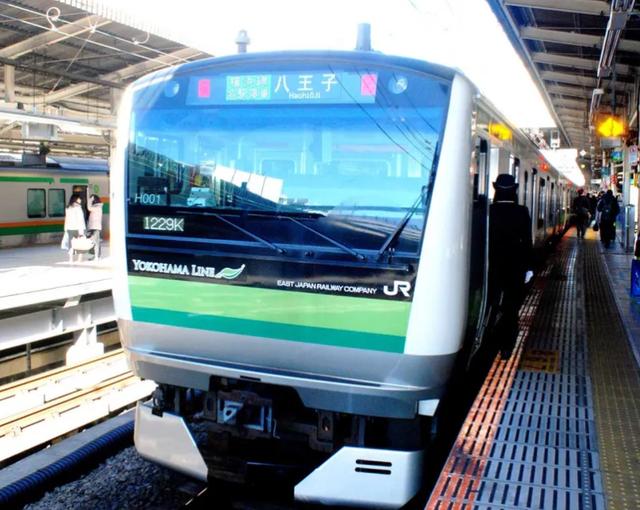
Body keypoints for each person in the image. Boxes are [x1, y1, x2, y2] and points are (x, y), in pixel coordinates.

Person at [489, 174, 533, 359]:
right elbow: (527, 242)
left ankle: (489, 340)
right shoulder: (522, 211)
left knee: (492, 305)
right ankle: (507, 347)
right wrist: (529, 268)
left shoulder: (488, 211)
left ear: (496, 190)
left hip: (491, 267)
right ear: (514, 191)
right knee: (511, 307)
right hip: (515, 268)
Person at [62, 193, 86, 263]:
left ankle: (71, 259)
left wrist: (65, 228)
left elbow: (66, 219)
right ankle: (79, 259)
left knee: (71, 244)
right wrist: (81, 231)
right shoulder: (78, 207)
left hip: (69, 228)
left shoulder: (68, 208)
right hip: (78, 229)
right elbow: (80, 220)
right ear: (75, 199)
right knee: (80, 244)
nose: (80, 199)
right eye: (79, 198)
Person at [87, 194, 103, 260]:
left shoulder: (98, 207)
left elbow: (89, 208)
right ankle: (95, 256)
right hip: (93, 226)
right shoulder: (96, 207)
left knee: (96, 242)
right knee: (93, 242)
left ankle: (97, 256)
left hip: (96, 227)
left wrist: (89, 200)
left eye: (92, 199)